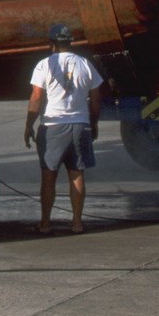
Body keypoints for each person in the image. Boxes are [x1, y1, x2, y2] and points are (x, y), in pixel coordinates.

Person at [23, 23, 104, 234]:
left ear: (51, 43)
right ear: (70, 42)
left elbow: (36, 98)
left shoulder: (44, 65)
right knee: (77, 175)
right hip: (80, 125)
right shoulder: (85, 64)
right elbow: (96, 98)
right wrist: (93, 122)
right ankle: (77, 223)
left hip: (52, 127)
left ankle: (45, 224)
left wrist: (28, 126)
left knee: (49, 176)